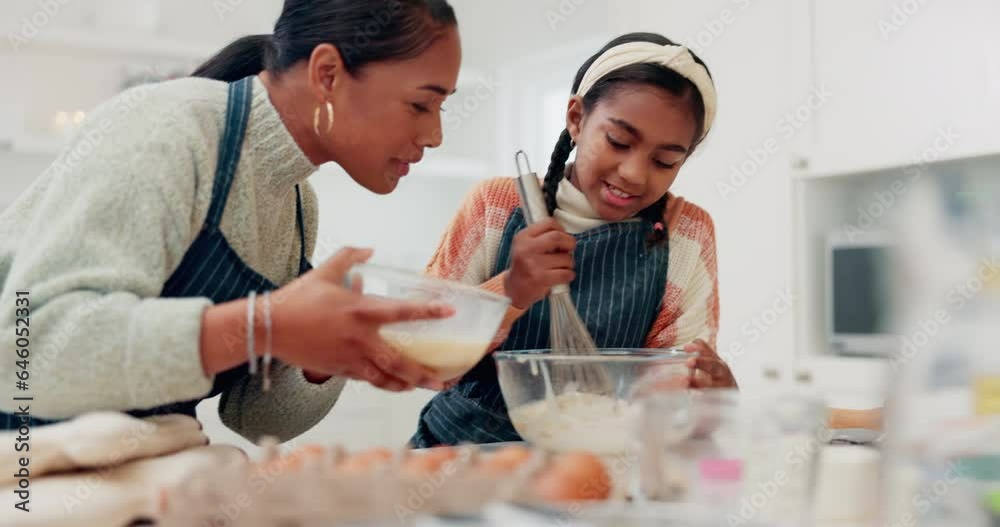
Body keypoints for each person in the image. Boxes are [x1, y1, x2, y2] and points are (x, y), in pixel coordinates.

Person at [0, 0, 462, 442]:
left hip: (130, 474)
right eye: (421, 105)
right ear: (327, 74)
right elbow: (27, 354)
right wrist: (265, 324)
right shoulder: (169, 127)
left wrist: (331, 354)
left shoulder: (298, 203)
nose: (435, 136)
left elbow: (253, 418)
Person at [411, 33, 738, 447]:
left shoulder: (686, 235)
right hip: (459, 460)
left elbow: (670, 395)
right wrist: (510, 291)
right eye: (619, 141)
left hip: (599, 468)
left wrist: (711, 400)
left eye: (664, 161)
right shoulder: (495, 207)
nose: (634, 173)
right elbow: (420, 360)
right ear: (576, 118)